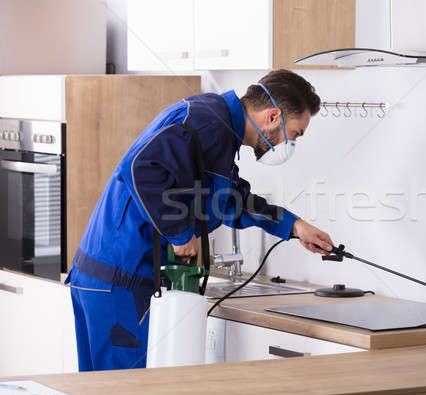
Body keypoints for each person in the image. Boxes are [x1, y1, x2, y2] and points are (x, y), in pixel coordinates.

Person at [66, 69, 334, 371]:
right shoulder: (209, 123)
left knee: (97, 390)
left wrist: (295, 227)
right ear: (273, 117)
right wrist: (181, 235)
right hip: (119, 280)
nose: (288, 143)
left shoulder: (216, 125)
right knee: (122, 391)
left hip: (106, 277)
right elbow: (143, 169)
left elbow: (232, 201)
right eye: (294, 133)